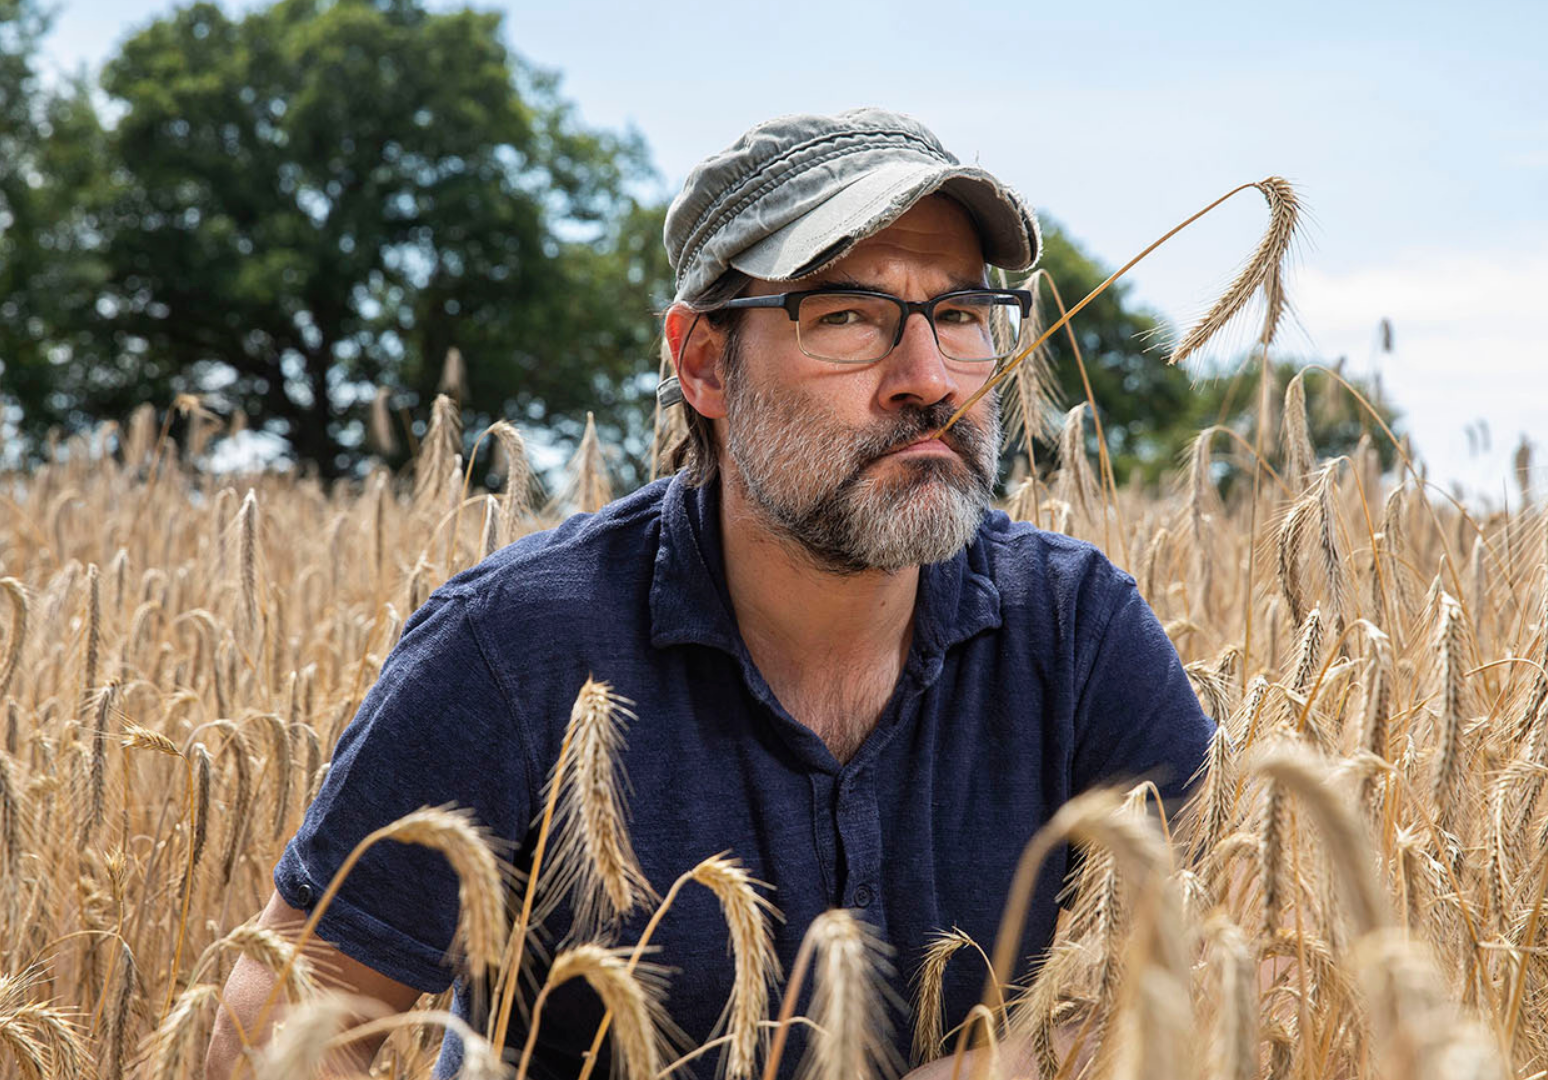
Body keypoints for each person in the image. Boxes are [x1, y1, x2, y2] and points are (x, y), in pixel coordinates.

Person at [207, 107, 1215, 1079]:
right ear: (704, 364)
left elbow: (1243, 961)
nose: (928, 377)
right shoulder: (514, 649)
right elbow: (293, 1012)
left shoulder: (1077, 630)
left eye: (958, 316)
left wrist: (1015, 1065)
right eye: (850, 317)